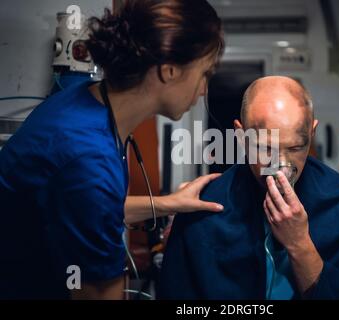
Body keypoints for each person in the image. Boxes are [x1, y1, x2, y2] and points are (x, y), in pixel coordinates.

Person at [0, 0, 224, 299]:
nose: (204, 89)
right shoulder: (89, 159)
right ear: (169, 71)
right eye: (205, 73)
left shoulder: (82, 98)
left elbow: (87, 209)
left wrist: (171, 203)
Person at [159, 76, 339, 300]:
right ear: (241, 136)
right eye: (266, 150)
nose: (281, 167)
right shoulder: (202, 211)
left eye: (295, 148)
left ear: (312, 133)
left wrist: (299, 245)